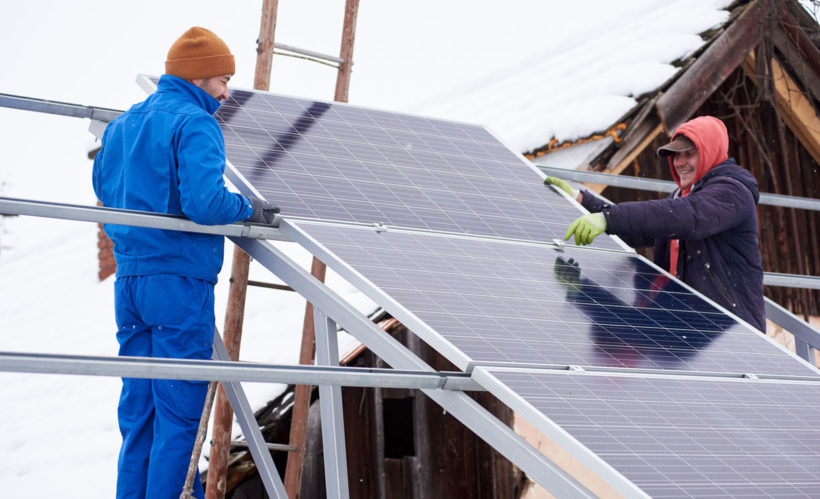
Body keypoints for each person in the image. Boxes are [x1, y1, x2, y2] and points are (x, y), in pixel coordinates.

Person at [92, 27, 277, 498]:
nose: (226, 92)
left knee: (140, 415)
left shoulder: (122, 125)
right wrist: (247, 209)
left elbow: (104, 190)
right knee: (178, 415)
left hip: (130, 282)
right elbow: (207, 204)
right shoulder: (195, 123)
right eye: (221, 79)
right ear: (197, 78)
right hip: (177, 283)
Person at [545, 115, 765, 331]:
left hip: (732, 332)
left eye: (689, 154)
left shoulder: (732, 192)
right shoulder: (680, 197)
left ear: (710, 152)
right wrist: (581, 199)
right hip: (688, 326)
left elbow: (685, 216)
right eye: (676, 155)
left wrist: (608, 219)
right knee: (626, 334)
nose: (679, 163)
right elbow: (639, 230)